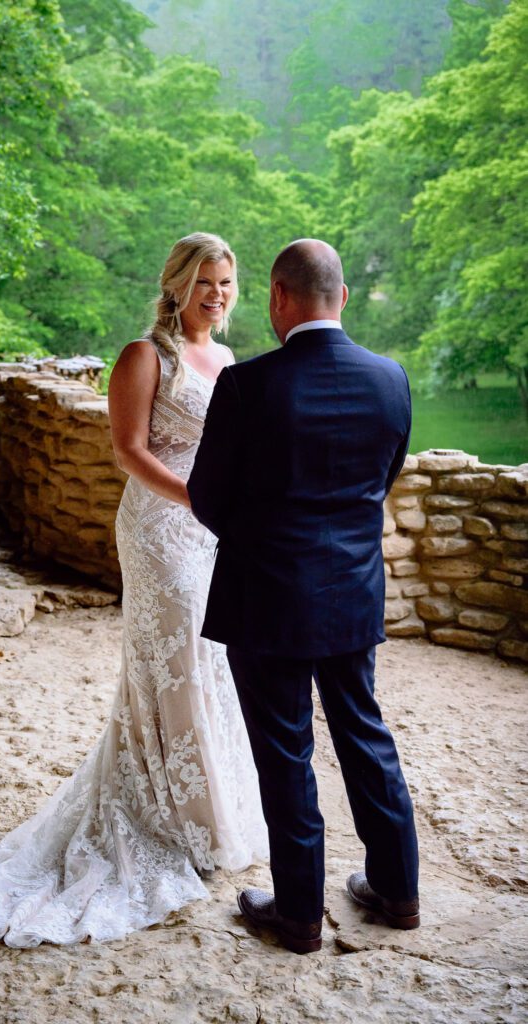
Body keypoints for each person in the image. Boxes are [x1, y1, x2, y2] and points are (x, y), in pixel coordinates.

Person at [0, 232, 267, 947]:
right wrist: (197, 500)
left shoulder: (225, 359)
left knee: (212, 661)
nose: (217, 294)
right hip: (159, 531)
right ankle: (171, 820)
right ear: (175, 285)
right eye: (204, 281)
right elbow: (127, 450)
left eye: (226, 283)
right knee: (171, 667)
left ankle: (210, 810)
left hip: (208, 531)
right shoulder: (147, 356)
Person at [188, 238, 420, 956]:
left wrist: (263, 539)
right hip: (350, 592)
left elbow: (207, 497)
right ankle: (397, 892)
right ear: (341, 297)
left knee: (285, 751)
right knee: (364, 734)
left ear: (278, 298)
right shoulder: (390, 379)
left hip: (266, 596)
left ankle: (297, 915)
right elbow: (382, 480)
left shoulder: (248, 385)